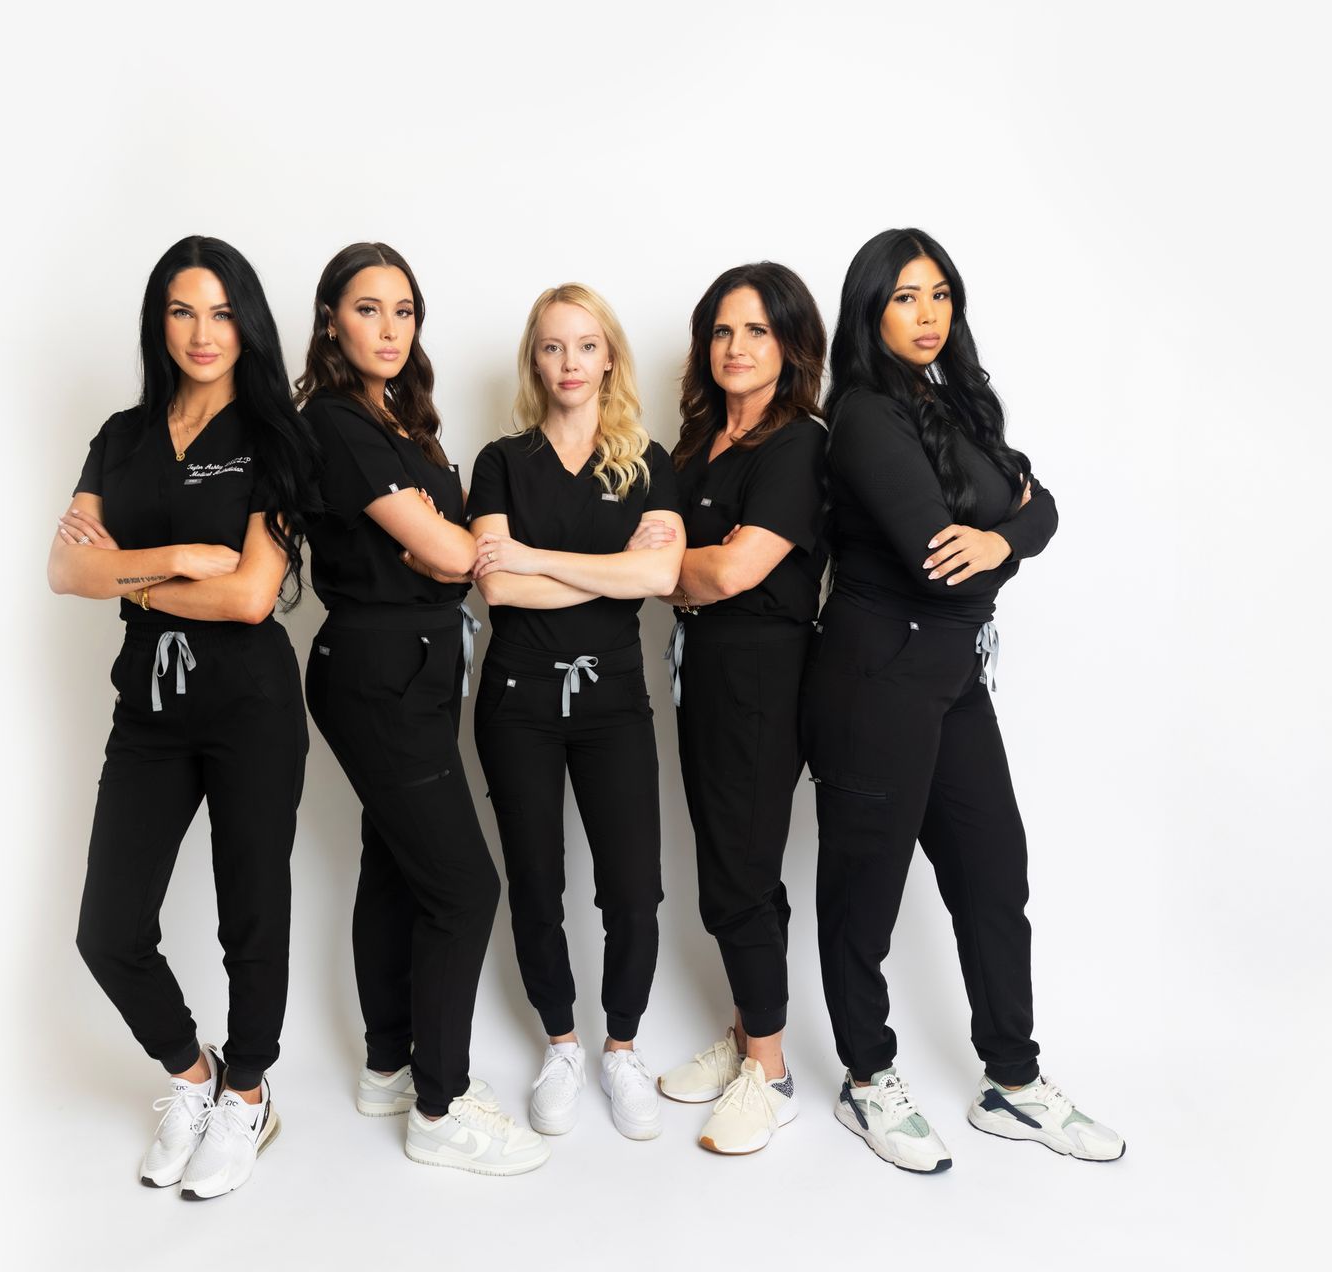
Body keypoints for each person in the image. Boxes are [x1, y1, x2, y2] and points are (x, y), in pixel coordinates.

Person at [803, 227, 1125, 1172]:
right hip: (875, 683)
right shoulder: (863, 416)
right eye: (905, 297)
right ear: (871, 310)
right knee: (865, 894)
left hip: (950, 681)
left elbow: (1047, 506)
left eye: (940, 293)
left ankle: (1010, 1082)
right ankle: (869, 1082)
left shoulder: (953, 404)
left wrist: (1001, 539)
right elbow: (938, 563)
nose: (929, 312)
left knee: (994, 875)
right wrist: (1005, 529)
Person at [49, 235, 319, 1200]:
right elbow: (62, 569)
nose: (202, 334)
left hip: (249, 705)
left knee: (253, 915)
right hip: (150, 710)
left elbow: (252, 598)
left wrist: (133, 573)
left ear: (246, 321)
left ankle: (248, 1093)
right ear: (158, 322)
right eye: (181, 311)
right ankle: (192, 1075)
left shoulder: (278, 436)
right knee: (107, 928)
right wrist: (182, 560)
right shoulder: (120, 437)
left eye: (219, 312)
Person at [295, 241, 547, 1175]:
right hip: (376, 667)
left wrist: (445, 544)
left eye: (404, 311)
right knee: (465, 885)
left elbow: (456, 538)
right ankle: (441, 1107)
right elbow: (451, 555)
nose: (390, 329)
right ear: (331, 319)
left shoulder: (397, 420)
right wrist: (442, 548)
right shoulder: (335, 422)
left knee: (398, 864)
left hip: (421, 661)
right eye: (368, 309)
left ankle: (390, 1066)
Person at [466, 284, 684, 1142]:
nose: (569, 364)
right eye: (553, 347)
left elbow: (660, 579)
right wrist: (601, 565)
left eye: (585, 346)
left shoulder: (647, 460)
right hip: (517, 701)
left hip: (614, 704)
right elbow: (498, 587)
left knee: (635, 888)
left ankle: (621, 1048)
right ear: (535, 359)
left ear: (609, 357)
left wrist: (535, 555)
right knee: (537, 883)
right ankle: (562, 1044)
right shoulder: (498, 461)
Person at [652, 263, 828, 1155]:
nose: (735, 347)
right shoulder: (695, 447)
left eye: (756, 331)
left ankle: (773, 1070)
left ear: (791, 344)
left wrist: (669, 572)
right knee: (725, 854)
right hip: (701, 672)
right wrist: (676, 571)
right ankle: (745, 1032)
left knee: (742, 872)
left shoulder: (800, 445)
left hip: (766, 676)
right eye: (722, 331)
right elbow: (673, 565)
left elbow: (727, 571)